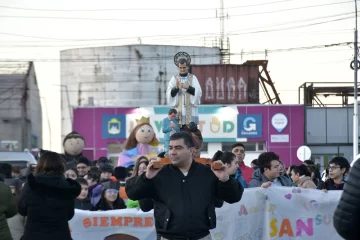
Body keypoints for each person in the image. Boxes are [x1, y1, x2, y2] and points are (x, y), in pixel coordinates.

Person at [126, 132, 243, 240]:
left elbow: (234, 197)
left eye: (178, 148)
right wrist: (146, 177)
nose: (172, 152)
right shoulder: (158, 173)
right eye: (170, 148)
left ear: (191, 150)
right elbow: (132, 193)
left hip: (201, 236)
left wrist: (225, 179)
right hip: (168, 237)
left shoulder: (207, 173)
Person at [18, 150, 81, 240]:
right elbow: (70, 214)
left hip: (33, 235)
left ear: (40, 165)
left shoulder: (31, 184)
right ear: (60, 166)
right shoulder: (67, 186)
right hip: (60, 236)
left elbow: (22, 210)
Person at [166, 57, 202, 129]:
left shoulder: (192, 78)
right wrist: (176, 88)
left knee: (190, 133)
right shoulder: (174, 78)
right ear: (178, 68)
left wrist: (188, 87)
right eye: (180, 68)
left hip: (190, 110)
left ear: (187, 67)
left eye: (184, 67)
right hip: (179, 111)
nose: (182, 69)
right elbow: (169, 93)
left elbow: (198, 92)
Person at [333, 157, 360, 239]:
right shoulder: (324, 183)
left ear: (343, 170)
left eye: (334, 168)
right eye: (330, 167)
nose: (330, 170)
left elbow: (343, 222)